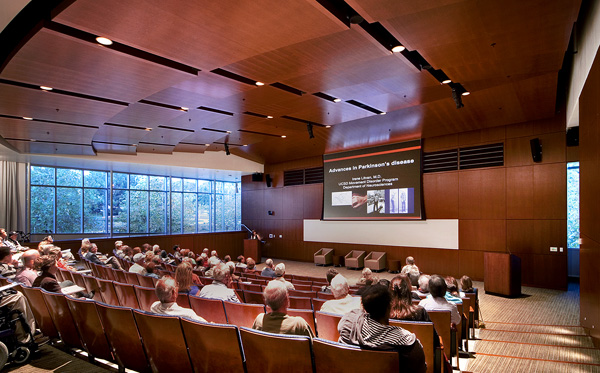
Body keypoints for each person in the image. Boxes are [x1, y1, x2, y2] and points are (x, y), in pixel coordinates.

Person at [338, 284, 427, 373]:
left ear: (365, 308)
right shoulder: (407, 341)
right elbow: (420, 368)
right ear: (389, 307)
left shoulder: (348, 324)